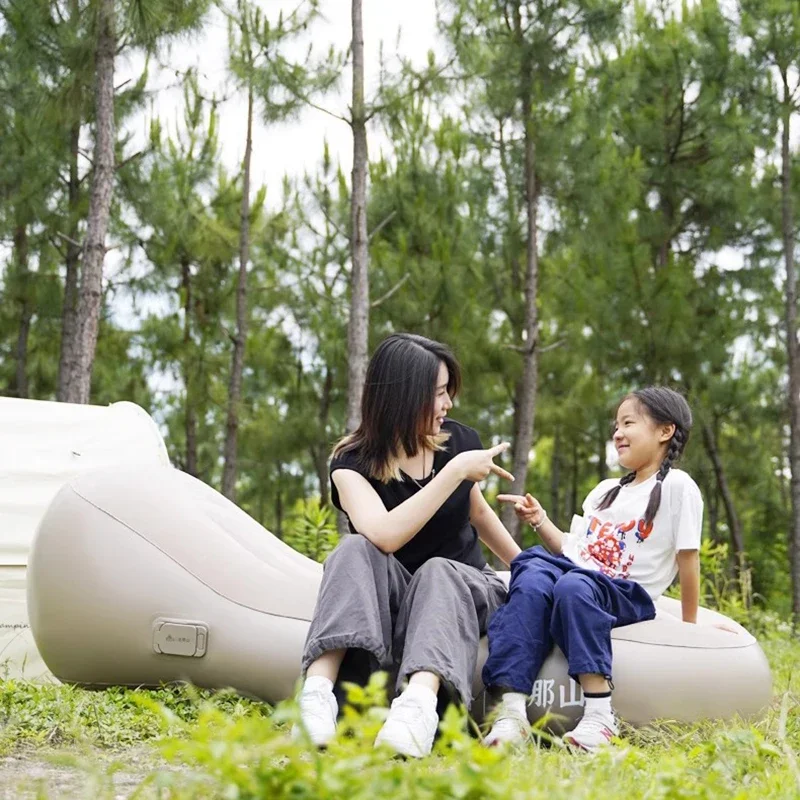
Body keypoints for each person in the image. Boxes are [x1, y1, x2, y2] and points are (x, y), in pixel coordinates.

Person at [293, 333, 522, 757]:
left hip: (463, 589)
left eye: (448, 392)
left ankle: (417, 708)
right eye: (438, 394)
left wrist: (526, 567)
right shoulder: (352, 463)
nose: (448, 405)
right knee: (352, 549)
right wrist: (452, 473)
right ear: (404, 397)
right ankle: (316, 698)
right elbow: (382, 534)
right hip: (398, 596)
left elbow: (479, 514)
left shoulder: (459, 441)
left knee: (438, 570)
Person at [482, 387, 702, 752]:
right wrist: (540, 520)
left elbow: (688, 559)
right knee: (532, 567)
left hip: (625, 592)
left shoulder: (679, 487)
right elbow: (573, 551)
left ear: (665, 431)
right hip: (580, 575)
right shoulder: (605, 491)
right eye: (615, 424)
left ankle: (599, 716)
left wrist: (691, 631)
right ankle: (512, 714)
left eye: (628, 423)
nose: (617, 432)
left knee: (573, 586)